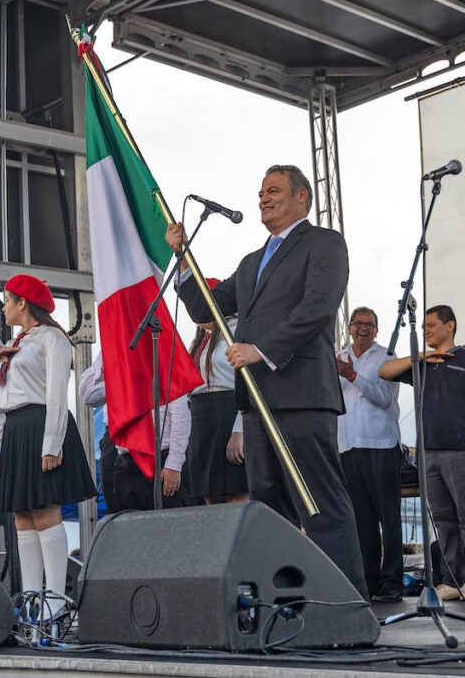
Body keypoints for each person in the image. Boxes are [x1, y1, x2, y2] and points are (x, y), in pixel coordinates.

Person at [167, 164, 369, 601]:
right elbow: (207, 311)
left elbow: (317, 308)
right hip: (257, 402)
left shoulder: (324, 244)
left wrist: (262, 351)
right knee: (268, 508)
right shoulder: (252, 262)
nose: (263, 198)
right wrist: (183, 261)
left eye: (274, 190)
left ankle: (346, 604)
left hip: (301, 394)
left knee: (320, 504)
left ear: (302, 197)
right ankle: (286, 604)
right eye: (260, 192)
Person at [0, 274, 96, 610]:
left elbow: (57, 392)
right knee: (21, 516)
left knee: (45, 511)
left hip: (41, 423)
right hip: (15, 427)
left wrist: (52, 444)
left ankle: (55, 603)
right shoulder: (15, 344)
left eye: (8, 301)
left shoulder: (51, 338)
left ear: (22, 303)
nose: (4, 309)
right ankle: (32, 600)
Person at [379, 305, 465, 602]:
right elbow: (384, 371)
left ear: (450, 325)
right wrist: (420, 355)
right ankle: (452, 580)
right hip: (427, 453)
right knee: (443, 520)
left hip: (460, 450)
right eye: (424, 326)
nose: (426, 330)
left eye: (431, 325)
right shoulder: (422, 365)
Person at [335, 307, 403, 602]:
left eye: (370, 325)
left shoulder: (387, 357)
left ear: (377, 330)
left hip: (381, 445)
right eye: (358, 323)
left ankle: (393, 582)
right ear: (349, 327)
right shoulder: (336, 357)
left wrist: (352, 375)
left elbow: (386, 398)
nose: (363, 328)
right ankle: (369, 581)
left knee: (388, 518)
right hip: (347, 446)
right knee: (361, 520)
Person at [79, 351, 191, 511]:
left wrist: (174, 462)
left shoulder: (163, 357)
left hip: (159, 450)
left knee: (164, 515)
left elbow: (181, 415)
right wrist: (112, 376)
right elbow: (88, 397)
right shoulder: (112, 347)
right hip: (121, 447)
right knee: (120, 509)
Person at [187, 301, 248, 505]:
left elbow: (249, 383)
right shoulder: (200, 338)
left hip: (228, 410)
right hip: (202, 416)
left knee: (236, 493)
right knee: (209, 492)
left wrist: (240, 430)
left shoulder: (236, 330)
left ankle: (243, 537)